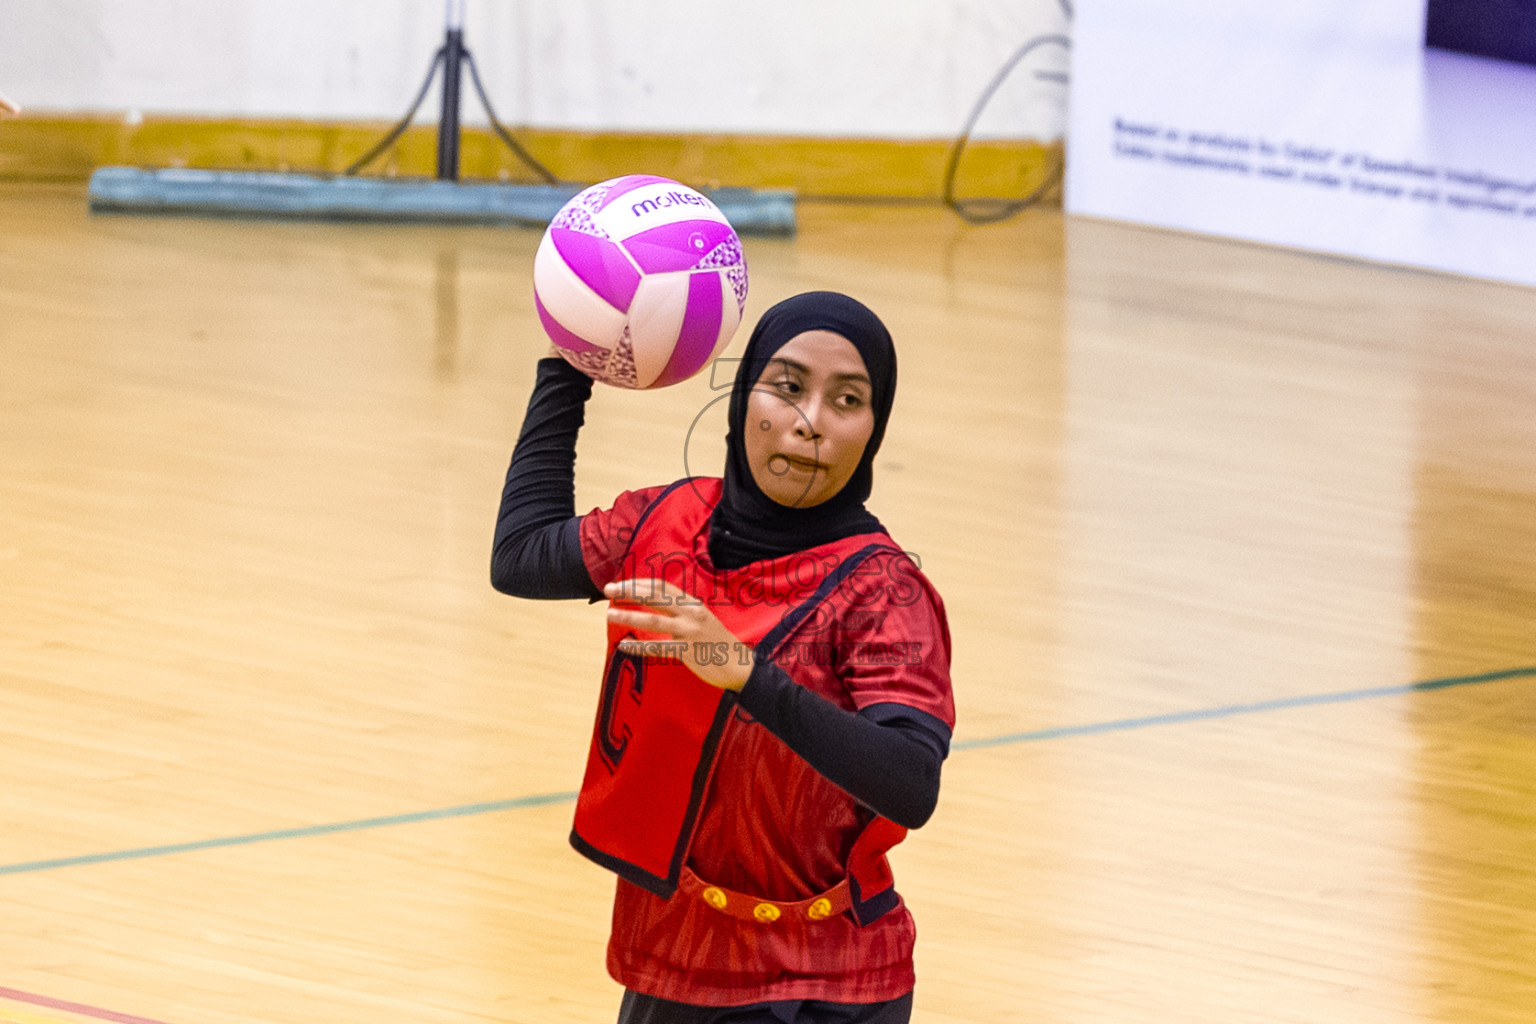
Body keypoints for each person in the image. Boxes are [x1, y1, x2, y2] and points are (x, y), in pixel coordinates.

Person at [491, 291, 955, 1024]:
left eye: (847, 399)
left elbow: (911, 782)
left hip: (832, 982)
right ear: (743, 399)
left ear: (874, 428)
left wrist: (744, 672)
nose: (809, 423)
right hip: (680, 956)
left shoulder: (885, 590)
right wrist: (567, 366)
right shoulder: (661, 521)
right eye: (788, 386)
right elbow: (518, 559)